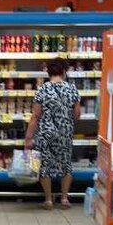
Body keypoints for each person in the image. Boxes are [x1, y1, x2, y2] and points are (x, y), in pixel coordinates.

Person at [24, 57, 81, 209]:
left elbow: (36, 116)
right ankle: (64, 199)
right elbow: (77, 115)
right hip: (65, 133)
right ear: (64, 72)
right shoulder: (72, 89)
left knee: (44, 166)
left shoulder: (42, 90)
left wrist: (28, 137)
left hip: (46, 133)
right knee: (66, 165)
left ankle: (48, 200)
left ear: (48, 72)